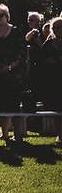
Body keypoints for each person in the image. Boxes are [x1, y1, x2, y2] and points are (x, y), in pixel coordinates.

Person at [0, 3, 26, 144]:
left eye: (1, 15)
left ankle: (18, 135)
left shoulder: (16, 31)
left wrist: (10, 66)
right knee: (2, 106)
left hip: (15, 75)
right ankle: (4, 134)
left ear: (7, 16)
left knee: (15, 106)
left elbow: (21, 53)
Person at [38, 17, 62, 145]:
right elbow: (42, 61)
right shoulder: (48, 44)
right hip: (53, 81)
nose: (58, 30)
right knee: (57, 110)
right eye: (55, 28)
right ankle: (60, 134)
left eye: (60, 27)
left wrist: (56, 60)